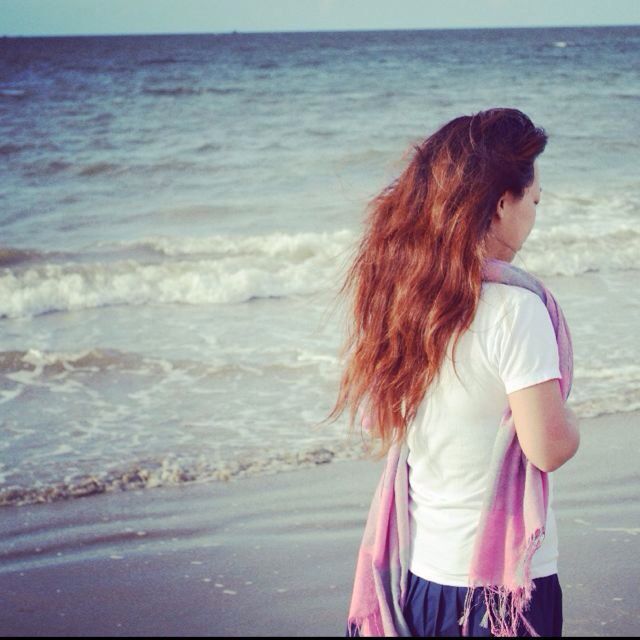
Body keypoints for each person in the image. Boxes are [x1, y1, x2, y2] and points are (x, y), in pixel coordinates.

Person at [326, 108, 580, 637]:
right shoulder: (516, 308)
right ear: (502, 202)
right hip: (504, 588)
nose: (534, 215)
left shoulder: (409, 299)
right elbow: (548, 448)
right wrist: (571, 420)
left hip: (422, 575)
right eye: (534, 201)